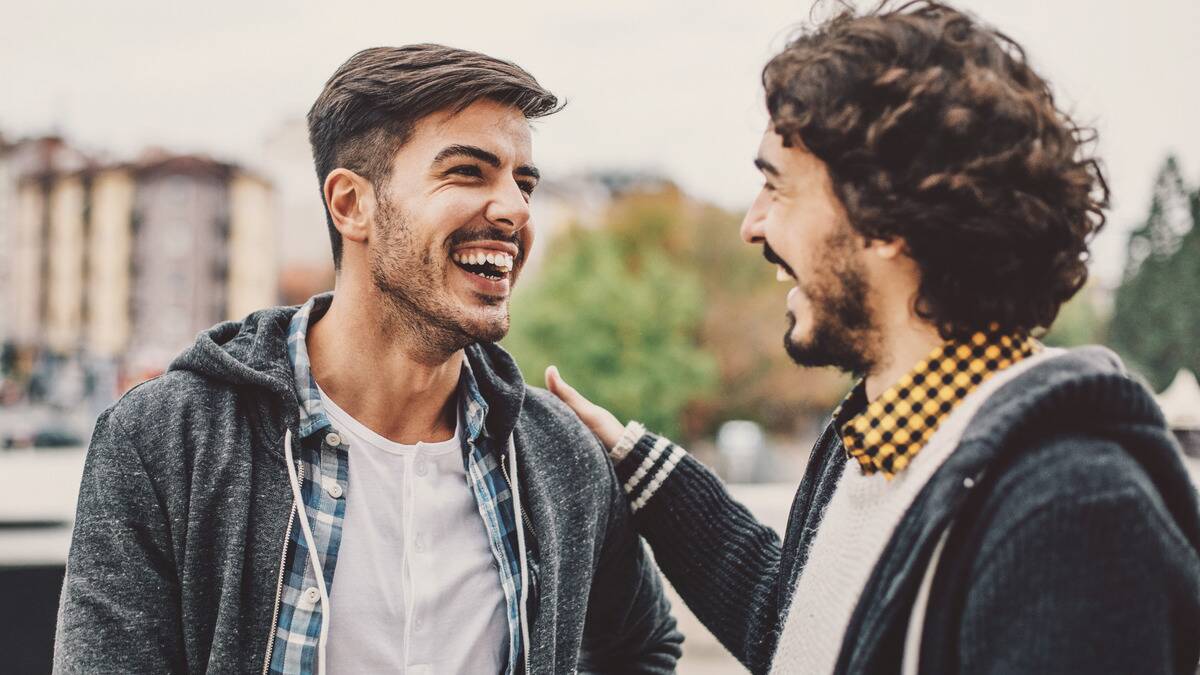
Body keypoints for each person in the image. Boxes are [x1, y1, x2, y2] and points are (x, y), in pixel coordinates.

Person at [547, 3, 1200, 673]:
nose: (751, 225)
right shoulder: (873, 436)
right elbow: (809, 630)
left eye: (777, 186)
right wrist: (633, 460)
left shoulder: (1071, 516)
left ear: (885, 214)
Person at [54, 44, 681, 674]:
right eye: (468, 171)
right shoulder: (169, 440)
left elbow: (643, 648)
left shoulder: (557, 455)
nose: (516, 209)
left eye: (524, 183)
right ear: (352, 204)